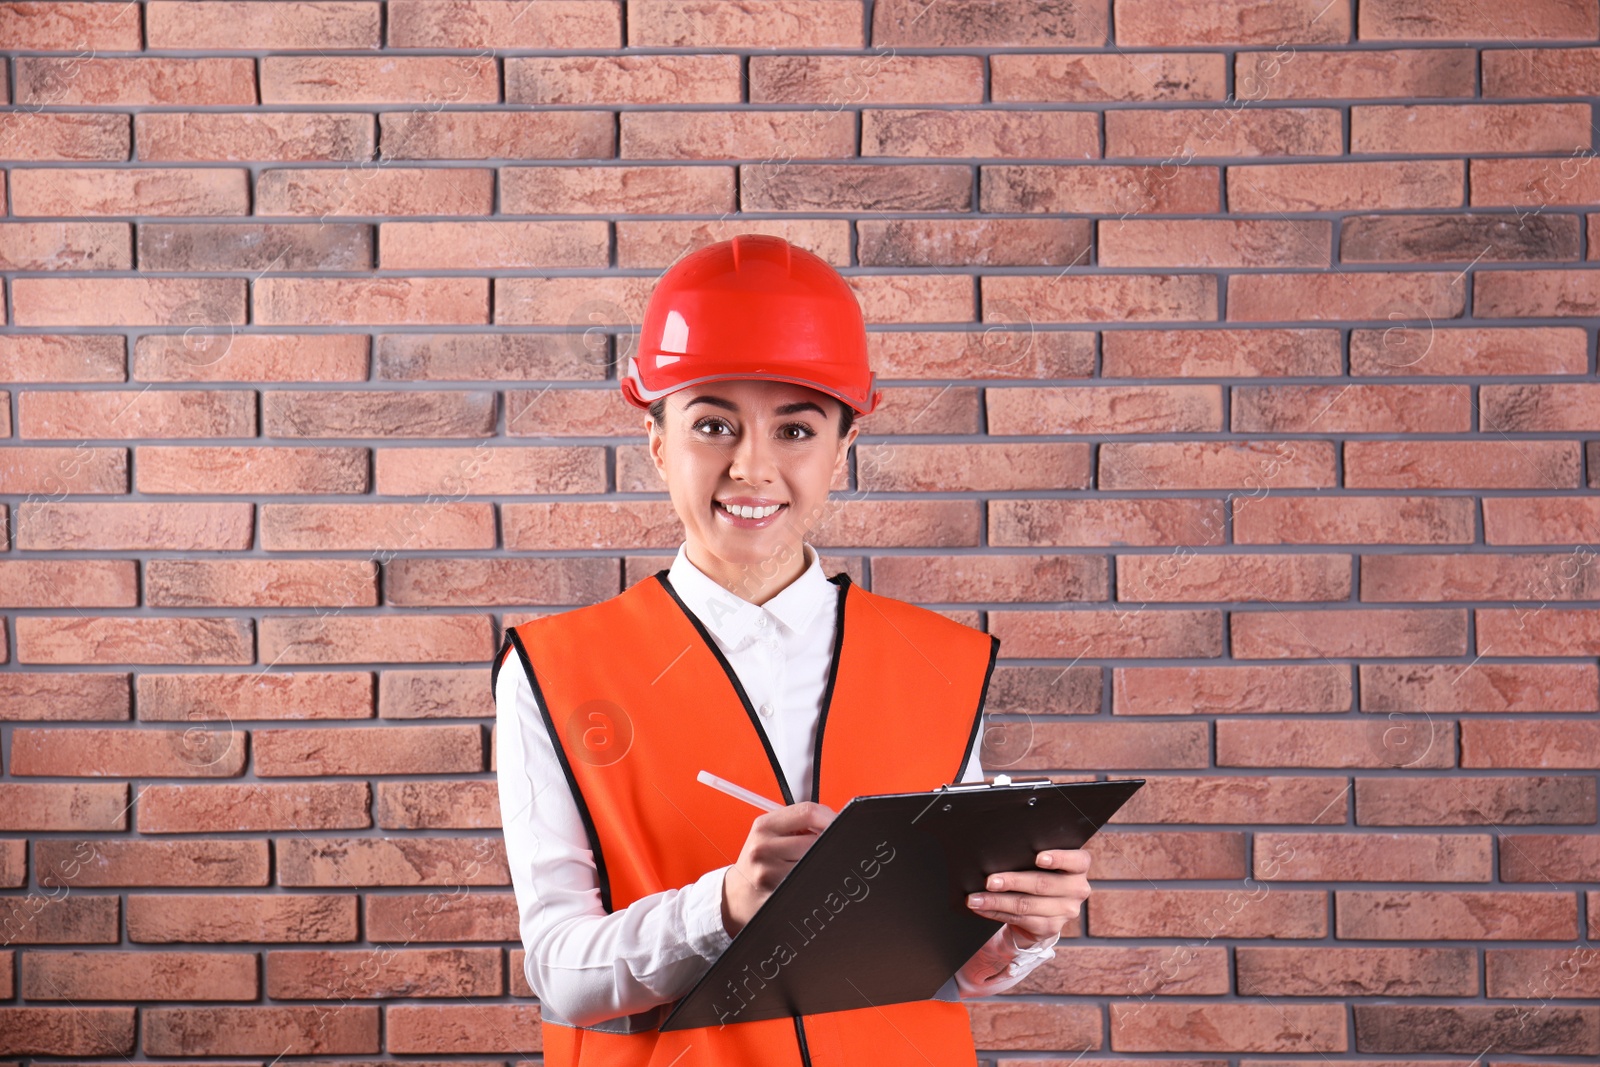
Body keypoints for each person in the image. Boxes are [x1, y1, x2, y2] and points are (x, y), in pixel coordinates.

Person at [492, 234, 1093, 1066]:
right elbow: (559, 971)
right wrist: (726, 905)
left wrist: (1017, 932)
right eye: (713, 423)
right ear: (657, 439)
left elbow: (934, 965)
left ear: (844, 446)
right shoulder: (555, 669)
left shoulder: (941, 664)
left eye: (796, 428)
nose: (753, 467)